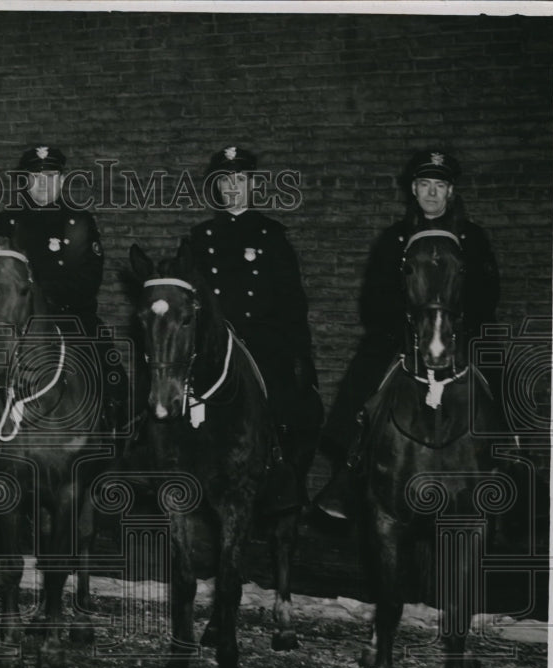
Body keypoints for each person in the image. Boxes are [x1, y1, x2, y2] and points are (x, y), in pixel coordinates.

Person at [315, 149, 501, 519]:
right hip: (402, 338)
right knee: (363, 386)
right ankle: (350, 471)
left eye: (440, 186)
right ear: (413, 190)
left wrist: (455, 327)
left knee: (500, 384)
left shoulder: (473, 237)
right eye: (425, 185)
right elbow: (373, 299)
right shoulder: (394, 239)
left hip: (459, 336)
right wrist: (406, 326)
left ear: (450, 192)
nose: (432, 193)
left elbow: (487, 293)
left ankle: (511, 467)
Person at [188, 145, 322, 510]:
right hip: (215, 345)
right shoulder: (200, 239)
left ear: (252, 185)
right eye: (225, 180)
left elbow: (294, 304)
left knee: (283, 404)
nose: (233, 186)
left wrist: (299, 355)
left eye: (240, 179)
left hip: (260, 342)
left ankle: (282, 473)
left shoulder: (271, 237)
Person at [0, 144, 129, 432]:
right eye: (35, 178)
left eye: (50, 178)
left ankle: (116, 433)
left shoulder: (80, 221)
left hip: (71, 316)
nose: (42, 185)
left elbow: (89, 279)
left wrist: (44, 296)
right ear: (25, 181)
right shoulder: (8, 221)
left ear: (61, 181)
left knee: (112, 374)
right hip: (16, 319)